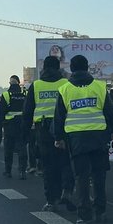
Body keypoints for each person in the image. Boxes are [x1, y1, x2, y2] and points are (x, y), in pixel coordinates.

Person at [54, 55, 113, 224]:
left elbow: (59, 117)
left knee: (81, 178)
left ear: (72, 69)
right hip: (99, 137)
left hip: (77, 140)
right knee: (99, 175)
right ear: (88, 67)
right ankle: (101, 211)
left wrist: (58, 138)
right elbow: (110, 111)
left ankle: (84, 216)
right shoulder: (99, 87)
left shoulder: (65, 89)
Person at [23, 56, 76, 212]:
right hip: (65, 128)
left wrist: (26, 133)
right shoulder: (66, 84)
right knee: (66, 162)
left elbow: (27, 111)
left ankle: (51, 200)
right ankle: (67, 191)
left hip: (43, 130)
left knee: (48, 165)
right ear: (59, 67)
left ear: (43, 68)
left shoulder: (36, 85)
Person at [1, 75, 27, 179]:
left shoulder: (6, 94)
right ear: (18, 83)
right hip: (22, 123)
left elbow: (1, 111)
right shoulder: (25, 94)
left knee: (8, 148)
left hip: (10, 125)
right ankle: (22, 171)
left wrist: (2, 122)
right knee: (22, 147)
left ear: (10, 83)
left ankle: (8, 171)